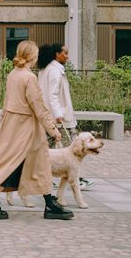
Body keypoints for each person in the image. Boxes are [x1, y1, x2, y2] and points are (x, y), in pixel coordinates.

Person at [0, 40, 74, 221]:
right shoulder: (29, 77)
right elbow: (39, 106)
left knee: (12, 162)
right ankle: (49, 204)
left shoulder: (13, 74)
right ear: (32, 55)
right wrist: (53, 129)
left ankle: (46, 202)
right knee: (38, 163)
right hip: (26, 128)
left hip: (12, 125)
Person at [37, 42, 93, 189]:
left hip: (47, 116)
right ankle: (75, 179)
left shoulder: (45, 69)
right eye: (65, 53)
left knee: (45, 149)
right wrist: (59, 115)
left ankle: (44, 176)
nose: (67, 56)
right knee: (71, 150)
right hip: (57, 118)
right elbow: (53, 95)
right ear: (57, 54)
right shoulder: (55, 71)